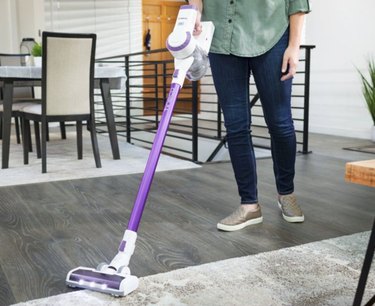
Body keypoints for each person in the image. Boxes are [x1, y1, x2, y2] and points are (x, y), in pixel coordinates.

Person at [188, 0, 311, 231]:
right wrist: (194, 10)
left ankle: (287, 193)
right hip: (222, 38)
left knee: (280, 123)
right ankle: (249, 205)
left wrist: (294, 46)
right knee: (236, 127)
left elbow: (297, 2)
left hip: (271, 35)